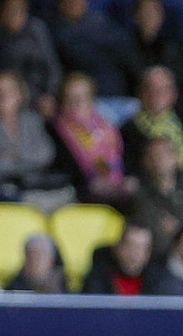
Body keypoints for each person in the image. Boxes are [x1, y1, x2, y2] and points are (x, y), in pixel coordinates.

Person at [129, 137, 183, 257]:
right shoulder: (140, 197)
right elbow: (154, 244)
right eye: (153, 156)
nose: (158, 160)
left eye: (163, 154)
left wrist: (178, 230)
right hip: (164, 264)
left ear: (175, 158)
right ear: (145, 162)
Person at [53, 73, 131, 204]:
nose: (76, 103)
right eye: (70, 97)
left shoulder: (106, 128)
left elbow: (116, 159)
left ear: (92, 99)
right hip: (79, 191)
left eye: (82, 97)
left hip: (113, 184)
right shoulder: (56, 129)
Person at [0, 69, 67, 208]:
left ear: (20, 94)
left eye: (9, 90)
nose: (3, 95)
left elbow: (45, 155)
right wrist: (24, 163)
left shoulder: (32, 120)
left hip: (35, 186)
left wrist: (12, 160)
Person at [50, 0, 137, 101]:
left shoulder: (101, 21)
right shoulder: (54, 30)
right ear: (61, 4)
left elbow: (124, 52)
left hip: (119, 90)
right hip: (83, 94)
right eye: (70, 1)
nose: (74, 4)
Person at [121, 65, 183, 173]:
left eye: (164, 89)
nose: (157, 94)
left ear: (174, 93)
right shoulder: (128, 131)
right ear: (140, 93)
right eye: (150, 88)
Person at [0, 0, 60, 109]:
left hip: (39, 93)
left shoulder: (37, 29)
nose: (16, 14)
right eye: (11, 10)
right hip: (9, 96)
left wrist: (50, 95)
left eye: (20, 10)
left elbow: (52, 66)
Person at [82, 224, 154, 295]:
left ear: (149, 253)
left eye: (141, 248)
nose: (134, 253)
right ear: (118, 248)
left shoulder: (159, 281)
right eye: (129, 246)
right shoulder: (97, 278)